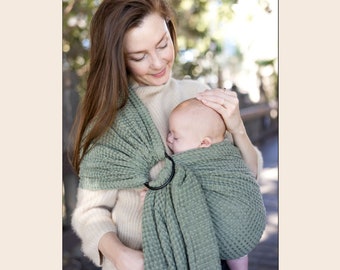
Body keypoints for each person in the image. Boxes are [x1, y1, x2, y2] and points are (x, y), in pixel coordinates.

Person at [70, 1, 264, 270]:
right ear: (118, 58)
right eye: (139, 56)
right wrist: (120, 255)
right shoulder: (110, 121)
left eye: (162, 44)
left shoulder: (199, 94)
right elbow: (89, 213)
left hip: (211, 256)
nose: (159, 62)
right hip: (145, 262)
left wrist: (237, 128)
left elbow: (241, 178)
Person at [165, 98, 265, 270]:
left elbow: (247, 174)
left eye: (175, 136)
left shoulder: (221, 154)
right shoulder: (196, 136)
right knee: (238, 254)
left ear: (204, 143)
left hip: (239, 217)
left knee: (237, 246)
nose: (168, 139)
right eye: (169, 133)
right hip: (216, 232)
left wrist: (239, 129)